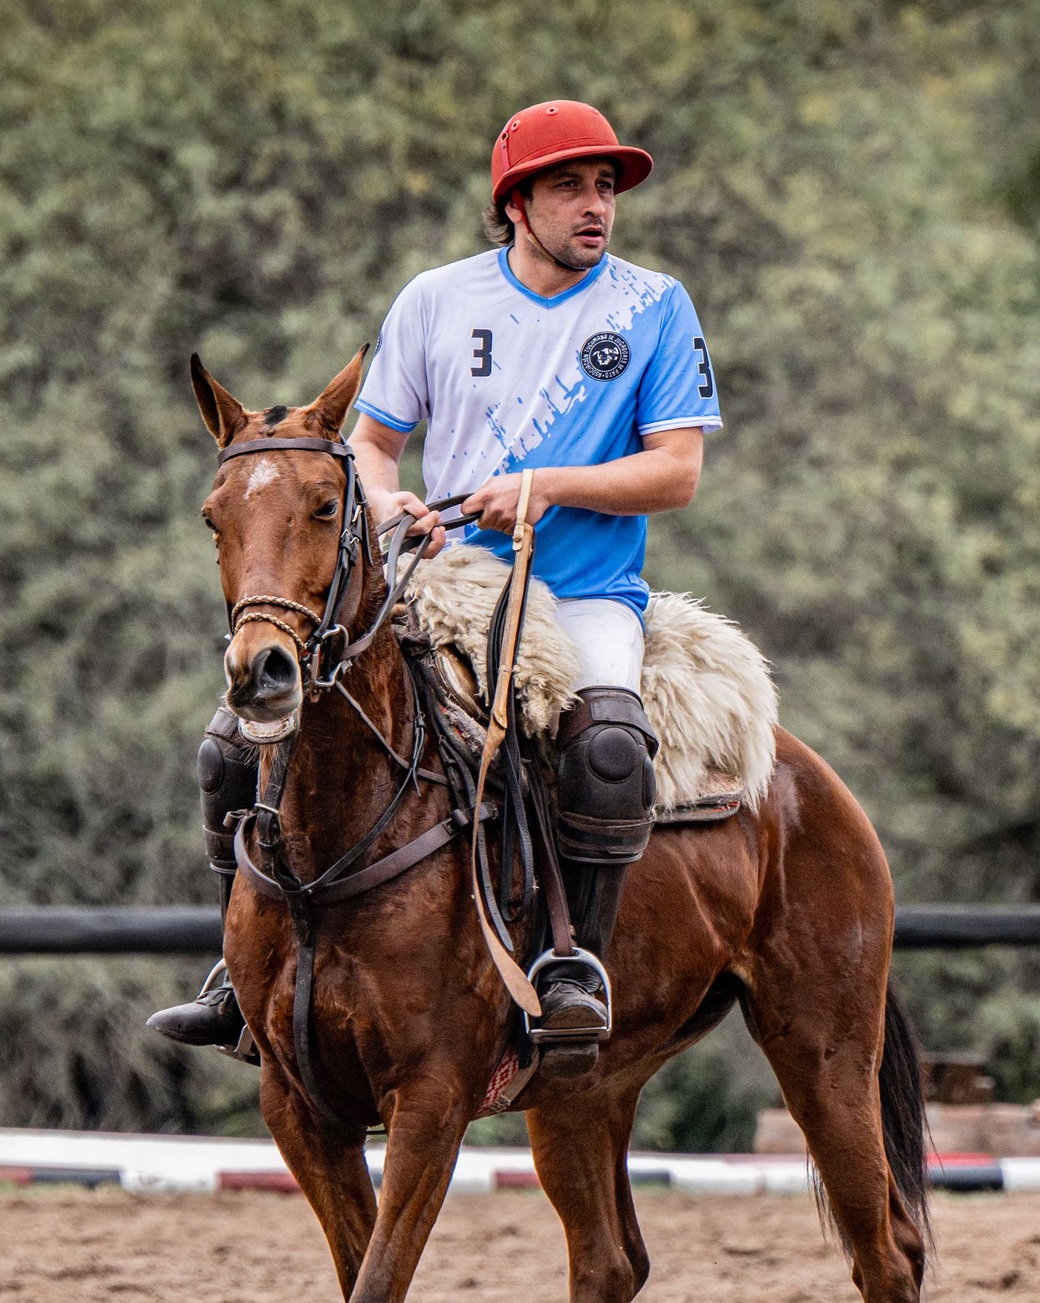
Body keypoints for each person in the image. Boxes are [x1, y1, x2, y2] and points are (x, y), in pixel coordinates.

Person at [150, 100, 721, 1076]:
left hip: (582, 594)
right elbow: (370, 443)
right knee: (227, 746)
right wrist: (389, 504)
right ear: (515, 203)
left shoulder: (652, 306)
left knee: (611, 746)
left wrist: (544, 489)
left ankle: (567, 960)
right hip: (438, 578)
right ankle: (235, 965)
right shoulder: (434, 301)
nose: (596, 206)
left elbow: (675, 472)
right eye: (568, 186)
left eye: (605, 188)